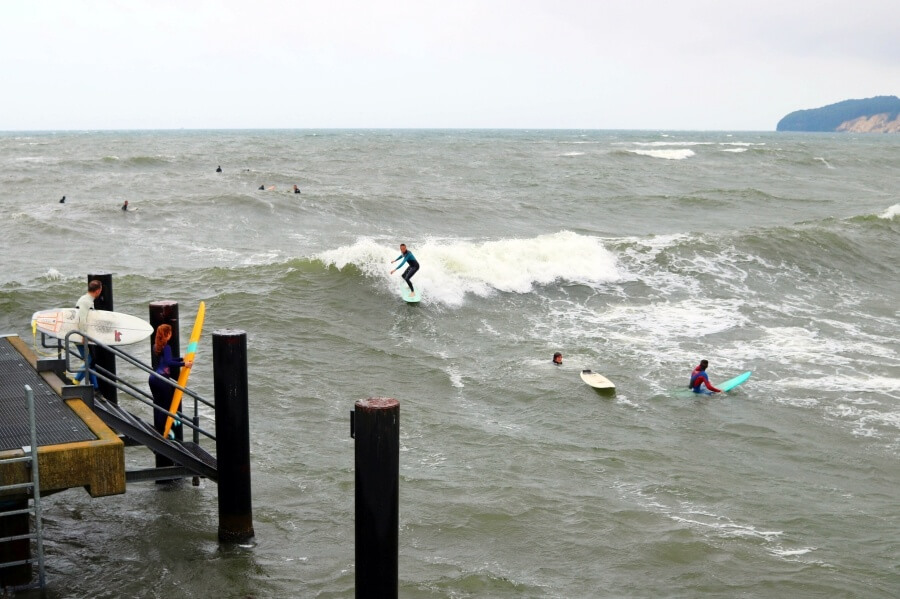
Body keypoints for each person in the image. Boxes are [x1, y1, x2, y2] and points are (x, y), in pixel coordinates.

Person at [148, 324, 192, 437]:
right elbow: (168, 363)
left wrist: (181, 359)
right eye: (170, 332)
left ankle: (158, 431)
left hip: (153, 378)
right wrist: (184, 364)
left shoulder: (156, 346)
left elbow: (167, 360)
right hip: (162, 380)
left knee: (158, 404)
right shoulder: (167, 347)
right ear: (168, 334)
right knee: (166, 407)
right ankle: (163, 434)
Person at [72, 279, 103, 388]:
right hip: (80, 336)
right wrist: (84, 335)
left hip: (81, 335)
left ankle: (95, 388)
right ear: (98, 290)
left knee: (90, 362)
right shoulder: (86, 301)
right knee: (90, 360)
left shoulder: (86, 300)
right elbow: (81, 319)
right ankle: (75, 381)